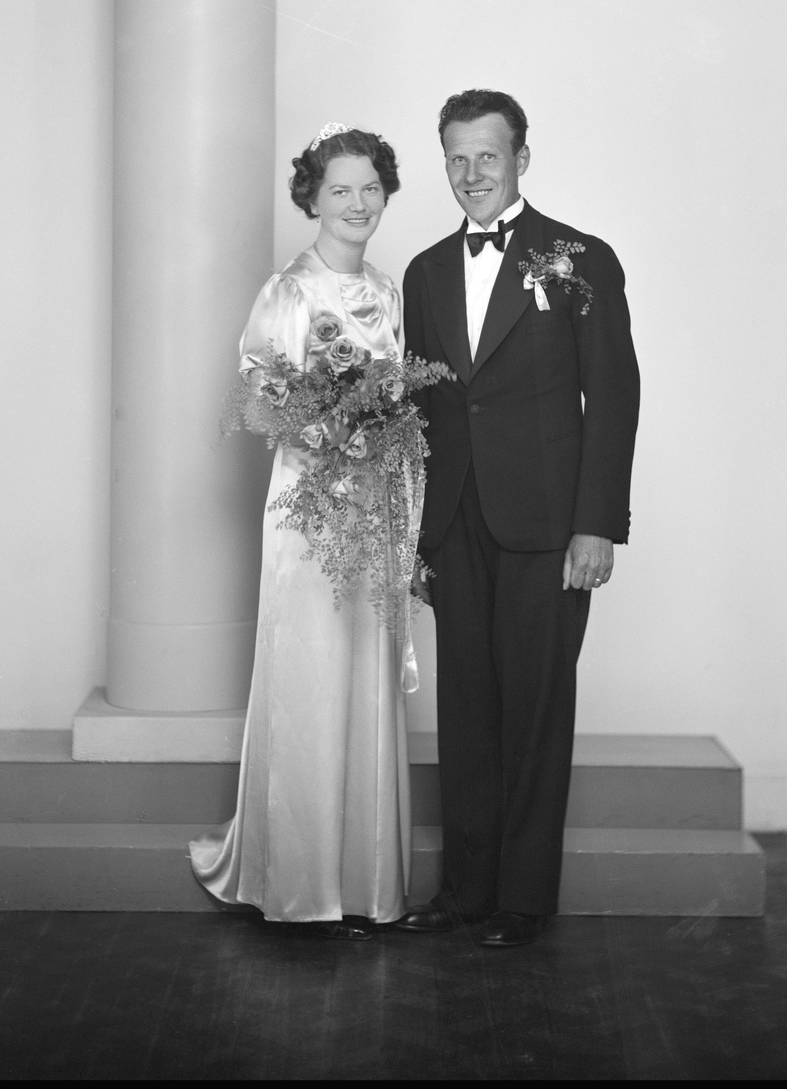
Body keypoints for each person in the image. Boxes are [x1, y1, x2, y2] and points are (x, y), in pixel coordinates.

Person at [397, 89, 640, 947]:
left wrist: (595, 524)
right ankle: (465, 892)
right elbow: (422, 411)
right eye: (457, 158)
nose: (472, 174)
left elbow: (613, 396)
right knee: (465, 710)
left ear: (520, 159)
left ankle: (523, 901)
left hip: (548, 527)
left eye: (487, 156)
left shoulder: (578, 259)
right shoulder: (424, 271)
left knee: (534, 711)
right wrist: (413, 534)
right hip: (453, 521)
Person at [190, 123, 413, 939]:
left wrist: (384, 431)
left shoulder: (387, 291)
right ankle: (299, 880)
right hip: (309, 511)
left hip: (373, 508)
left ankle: (361, 882)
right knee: (311, 673)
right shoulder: (288, 292)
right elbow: (255, 400)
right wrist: (327, 426)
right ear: (312, 199)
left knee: (362, 671)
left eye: (370, 188)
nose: (357, 203)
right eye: (339, 189)